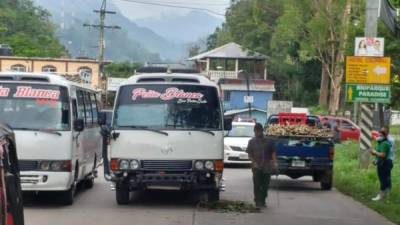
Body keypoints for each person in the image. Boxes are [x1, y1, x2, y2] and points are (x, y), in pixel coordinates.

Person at [246, 123, 278, 209]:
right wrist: (254, 162)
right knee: (257, 184)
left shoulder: (269, 141)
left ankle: (263, 199)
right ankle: (257, 201)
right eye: (255, 131)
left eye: (258, 131)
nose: (256, 133)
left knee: (265, 185)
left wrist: (275, 163)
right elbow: (249, 154)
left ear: (261, 131)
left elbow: (273, 153)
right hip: (256, 167)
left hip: (267, 166)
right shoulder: (251, 141)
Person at [370, 128, 393, 201]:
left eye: (380, 135)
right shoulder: (381, 143)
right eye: (378, 135)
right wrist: (375, 158)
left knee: (383, 179)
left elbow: (383, 155)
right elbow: (379, 154)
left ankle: (380, 196)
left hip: (385, 163)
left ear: (384, 136)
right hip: (383, 162)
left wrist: (375, 152)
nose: (378, 137)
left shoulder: (384, 143)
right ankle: (387, 194)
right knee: (386, 179)